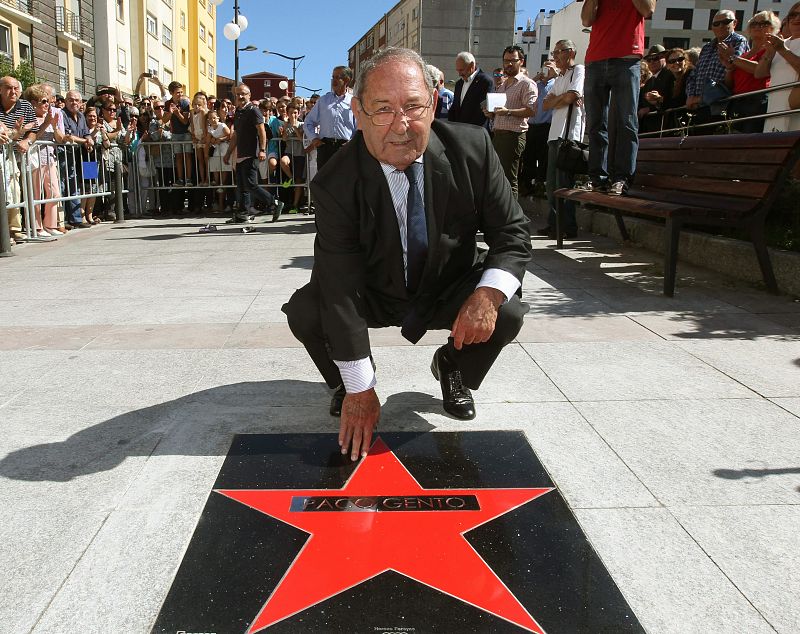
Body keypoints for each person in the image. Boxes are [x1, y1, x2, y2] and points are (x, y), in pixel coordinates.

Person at [282, 47, 531, 462]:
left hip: (447, 285)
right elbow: (339, 284)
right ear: (358, 113)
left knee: (507, 309)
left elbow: (512, 232)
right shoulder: (334, 182)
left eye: (413, 106)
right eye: (383, 109)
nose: (401, 126)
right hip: (372, 291)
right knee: (307, 310)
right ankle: (348, 379)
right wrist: (360, 385)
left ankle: (452, 365)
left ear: (433, 104)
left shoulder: (473, 148)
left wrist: (487, 296)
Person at [580, 0, 655, 196]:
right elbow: (586, 20)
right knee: (595, 123)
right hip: (595, 59)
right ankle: (597, 178)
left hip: (627, 58)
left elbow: (648, 9)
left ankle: (622, 178)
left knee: (626, 121)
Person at [539, 40, 585, 240]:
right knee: (551, 185)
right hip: (554, 135)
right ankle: (554, 224)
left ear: (571, 52)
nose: (555, 56)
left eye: (559, 52)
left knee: (564, 183)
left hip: (568, 136)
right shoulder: (559, 77)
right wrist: (562, 99)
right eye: (554, 52)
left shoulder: (578, 70)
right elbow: (545, 104)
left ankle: (568, 226)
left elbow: (571, 97)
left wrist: (561, 99)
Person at [223, 83, 284, 223]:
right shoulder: (238, 112)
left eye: (243, 94)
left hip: (252, 153)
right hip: (240, 154)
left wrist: (262, 150)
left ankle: (274, 202)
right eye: (237, 94)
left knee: (250, 184)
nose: (240, 96)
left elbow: (261, 131)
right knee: (241, 186)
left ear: (249, 95)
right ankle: (242, 214)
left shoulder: (254, 110)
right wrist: (228, 153)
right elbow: (236, 135)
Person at [483, 45, 537, 200]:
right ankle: (501, 210)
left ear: (521, 61)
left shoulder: (527, 83)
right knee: (497, 178)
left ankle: (513, 213)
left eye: (513, 61)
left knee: (508, 179)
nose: (509, 64)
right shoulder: (502, 86)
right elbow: (498, 112)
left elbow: (531, 110)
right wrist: (491, 114)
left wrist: (507, 111)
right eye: (506, 61)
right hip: (498, 135)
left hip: (513, 136)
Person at [722, 11, 780, 133]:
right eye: (754, 24)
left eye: (764, 23)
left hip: (756, 101)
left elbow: (760, 71)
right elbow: (730, 84)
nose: (757, 26)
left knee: (749, 139)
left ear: (773, 28)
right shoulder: (743, 55)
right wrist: (729, 69)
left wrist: (732, 58)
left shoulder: (771, 51)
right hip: (737, 102)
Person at [685, 10, 749, 115]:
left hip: (721, 107)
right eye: (716, 24)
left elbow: (732, 72)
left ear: (734, 23)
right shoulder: (707, 47)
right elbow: (693, 75)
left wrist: (700, 99)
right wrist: (691, 96)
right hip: (699, 107)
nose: (720, 26)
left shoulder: (739, 41)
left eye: (725, 22)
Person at [0, 76, 37, 242]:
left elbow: (34, 130)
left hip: (13, 156)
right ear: (0, 89)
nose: (13, 92)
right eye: (9, 88)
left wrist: (26, 140)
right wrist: (14, 132)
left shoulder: (25, 106)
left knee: (14, 190)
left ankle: (14, 229)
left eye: (16, 88)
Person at [756, 2, 800, 132]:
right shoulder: (780, 43)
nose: (797, 18)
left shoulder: (781, 45)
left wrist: (782, 49)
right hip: (774, 109)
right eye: (793, 15)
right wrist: (769, 54)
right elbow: (759, 74)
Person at [303, 66, 356, 171]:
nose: (333, 81)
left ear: (347, 80)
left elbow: (360, 127)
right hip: (325, 148)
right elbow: (308, 122)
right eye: (333, 77)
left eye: (337, 77)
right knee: (324, 180)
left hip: (346, 148)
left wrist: (352, 143)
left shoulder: (354, 102)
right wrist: (314, 139)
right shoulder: (323, 101)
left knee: (344, 179)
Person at [61, 90, 95, 228]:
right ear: (65, 101)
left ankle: (76, 219)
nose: (73, 102)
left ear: (81, 103)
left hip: (78, 156)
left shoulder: (81, 116)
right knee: (63, 186)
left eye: (76, 100)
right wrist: (85, 141)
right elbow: (68, 136)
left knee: (75, 186)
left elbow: (86, 133)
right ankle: (63, 220)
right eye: (70, 100)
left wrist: (89, 139)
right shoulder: (62, 114)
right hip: (64, 155)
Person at [519, 67, 554, 198]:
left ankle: (540, 184)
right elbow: (523, 89)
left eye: (550, 68)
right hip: (531, 125)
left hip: (546, 126)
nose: (546, 71)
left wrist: (554, 76)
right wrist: (535, 79)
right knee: (529, 157)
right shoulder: (534, 84)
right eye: (545, 67)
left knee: (543, 157)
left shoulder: (556, 84)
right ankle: (527, 184)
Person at [447, 51, 493, 127]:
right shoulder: (459, 84)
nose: (459, 74)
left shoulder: (485, 82)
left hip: (475, 130)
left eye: (461, 70)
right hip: (458, 130)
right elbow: (454, 108)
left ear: (471, 65)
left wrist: (469, 130)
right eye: (458, 70)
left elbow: (482, 112)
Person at [638, 45, 674, 134]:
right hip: (649, 128)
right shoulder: (649, 81)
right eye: (649, 60)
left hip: (665, 127)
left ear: (664, 58)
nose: (652, 62)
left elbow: (673, 99)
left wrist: (650, 108)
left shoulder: (670, 75)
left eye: (656, 58)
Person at [162, 81, 193, 186]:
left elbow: (185, 121)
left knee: (188, 156)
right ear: (171, 93)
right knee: (178, 156)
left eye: (181, 92)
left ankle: (188, 179)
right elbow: (164, 120)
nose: (180, 94)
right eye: (178, 92)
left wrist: (177, 113)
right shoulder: (168, 104)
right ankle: (180, 180)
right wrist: (170, 113)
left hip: (186, 133)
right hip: (175, 133)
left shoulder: (185, 103)